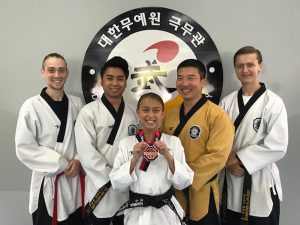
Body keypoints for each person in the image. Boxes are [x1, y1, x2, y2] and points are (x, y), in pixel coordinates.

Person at [219, 46, 288, 225]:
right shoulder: (227, 102)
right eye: (240, 66)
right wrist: (227, 160)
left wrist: (238, 159)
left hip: (260, 183)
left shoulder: (273, 103)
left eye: (250, 64)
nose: (245, 70)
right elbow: (217, 139)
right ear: (235, 69)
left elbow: (277, 146)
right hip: (231, 180)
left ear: (260, 66)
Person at [161, 59, 234, 225]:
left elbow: (218, 157)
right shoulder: (169, 114)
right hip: (174, 192)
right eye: (180, 78)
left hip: (202, 190)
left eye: (191, 78)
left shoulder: (217, 115)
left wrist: (183, 175)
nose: (184, 83)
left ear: (202, 82)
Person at [15, 53, 84, 225]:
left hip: (73, 181)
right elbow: (24, 148)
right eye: (51, 70)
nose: (57, 75)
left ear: (67, 73)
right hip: (48, 181)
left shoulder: (77, 104)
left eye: (61, 70)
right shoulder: (31, 106)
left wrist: (78, 159)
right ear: (43, 72)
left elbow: (85, 140)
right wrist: (60, 162)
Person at [109, 92, 194, 225]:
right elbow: (117, 184)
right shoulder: (126, 143)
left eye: (156, 110)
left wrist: (167, 155)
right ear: (137, 113)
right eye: (145, 110)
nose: (150, 115)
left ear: (162, 114)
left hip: (165, 212)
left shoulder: (173, 142)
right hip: (136, 213)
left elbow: (184, 182)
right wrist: (134, 159)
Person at [75, 56, 139, 225]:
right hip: (100, 188)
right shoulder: (88, 112)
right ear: (102, 81)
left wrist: (124, 176)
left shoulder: (133, 113)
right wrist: (112, 177)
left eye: (120, 79)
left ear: (126, 82)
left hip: (126, 187)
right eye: (109, 78)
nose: (115, 83)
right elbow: (86, 152)